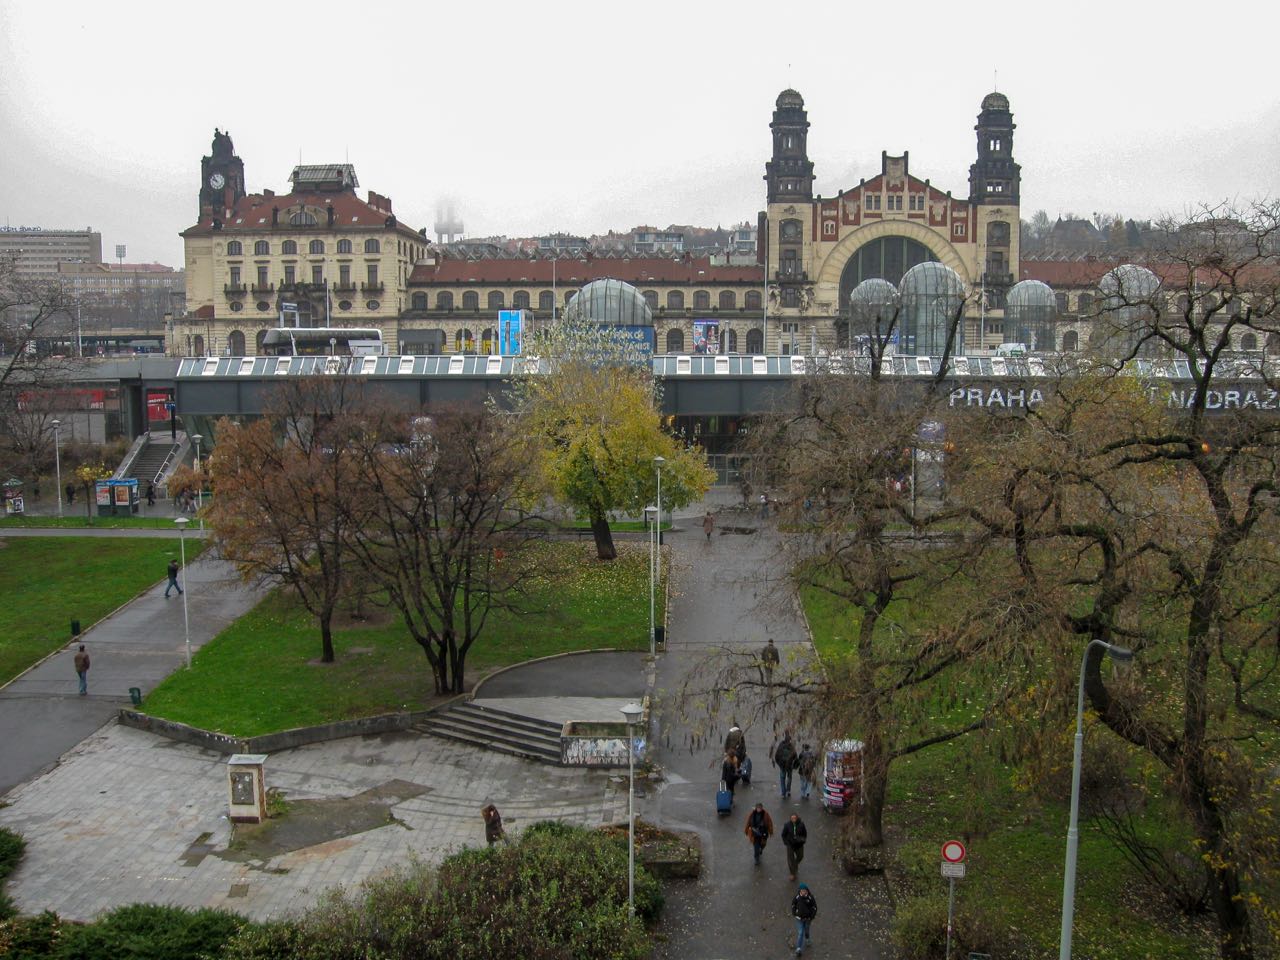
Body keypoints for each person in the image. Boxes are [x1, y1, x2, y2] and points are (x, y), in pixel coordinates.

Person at [791, 881, 818, 954]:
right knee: (800, 932)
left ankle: (807, 938)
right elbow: (793, 905)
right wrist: (794, 913)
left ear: (806, 890)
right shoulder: (797, 897)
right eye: (802, 890)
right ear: (800, 891)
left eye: (804, 890)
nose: (803, 892)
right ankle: (798, 948)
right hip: (799, 919)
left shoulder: (810, 897)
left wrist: (811, 916)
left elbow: (814, 907)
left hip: (808, 919)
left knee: (806, 930)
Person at [744, 801, 774, 866]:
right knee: (756, 847)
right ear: (756, 808)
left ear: (762, 808)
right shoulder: (752, 814)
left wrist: (771, 831)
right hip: (755, 833)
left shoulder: (765, 814)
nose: (758, 809)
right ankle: (756, 859)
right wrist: (746, 830)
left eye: (760, 808)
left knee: (763, 844)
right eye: (757, 808)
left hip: (763, 832)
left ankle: (761, 849)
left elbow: (769, 823)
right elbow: (748, 822)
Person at [781, 813, 808, 880]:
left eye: (794, 818)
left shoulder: (801, 824)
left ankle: (795, 864)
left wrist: (803, 840)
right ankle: (792, 873)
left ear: (797, 818)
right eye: (792, 818)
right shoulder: (787, 825)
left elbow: (804, 833)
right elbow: (783, 835)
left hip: (799, 844)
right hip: (790, 844)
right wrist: (786, 842)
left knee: (800, 856)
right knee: (790, 859)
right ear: (790, 819)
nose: (793, 819)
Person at [773, 731, 798, 798]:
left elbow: (776, 756)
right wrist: (794, 764)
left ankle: (783, 793)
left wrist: (779, 764)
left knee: (782, 779)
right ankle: (788, 790)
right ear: (789, 740)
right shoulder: (791, 747)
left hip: (782, 766)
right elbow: (795, 756)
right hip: (789, 766)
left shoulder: (781, 745)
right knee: (789, 778)